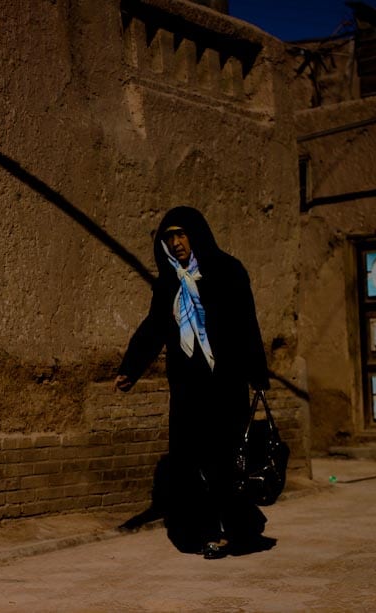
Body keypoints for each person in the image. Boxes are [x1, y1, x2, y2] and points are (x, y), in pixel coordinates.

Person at [115, 206, 273, 559]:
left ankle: (234, 530)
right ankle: (205, 532)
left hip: (225, 384)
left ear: (196, 235)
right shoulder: (168, 283)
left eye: (181, 234)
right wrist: (131, 368)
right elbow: (154, 327)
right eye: (169, 237)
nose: (176, 243)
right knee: (189, 461)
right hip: (187, 388)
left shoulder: (228, 271)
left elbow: (246, 323)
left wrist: (257, 375)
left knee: (225, 460)